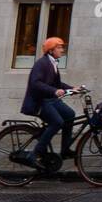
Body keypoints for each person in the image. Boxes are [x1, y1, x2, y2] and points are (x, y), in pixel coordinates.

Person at [17, 36, 76, 169]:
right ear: (50, 50)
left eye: (62, 47)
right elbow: (35, 83)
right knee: (57, 122)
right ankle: (35, 154)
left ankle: (65, 150)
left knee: (70, 114)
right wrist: (54, 91)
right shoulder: (42, 63)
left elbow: (57, 83)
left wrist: (73, 89)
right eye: (59, 47)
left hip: (50, 100)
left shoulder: (53, 63)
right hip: (40, 101)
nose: (62, 50)